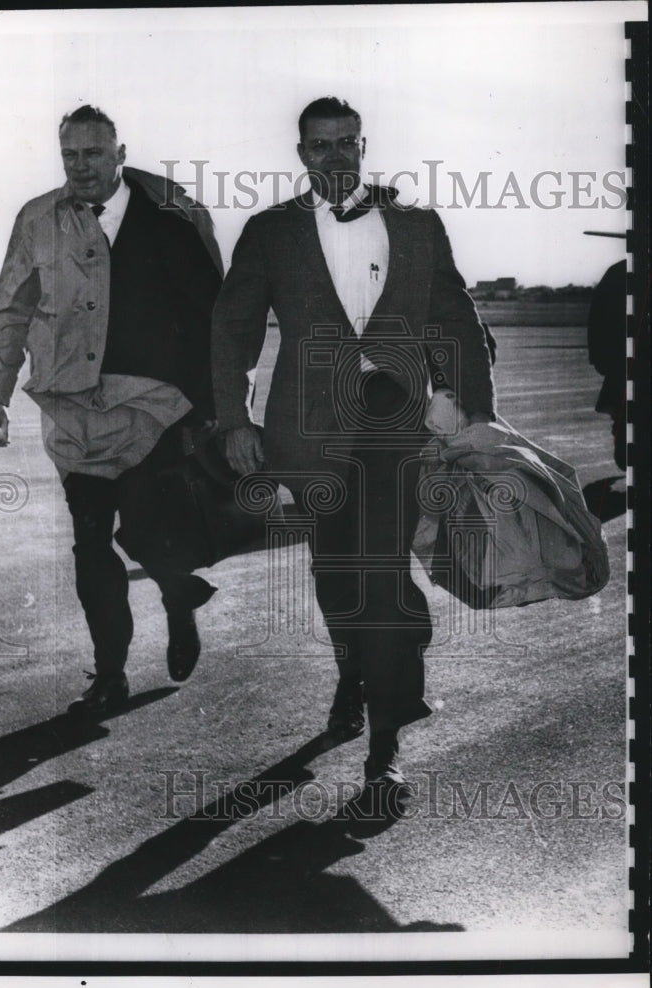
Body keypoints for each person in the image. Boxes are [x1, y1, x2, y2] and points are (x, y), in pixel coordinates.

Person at [211, 97, 496, 833]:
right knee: (337, 578)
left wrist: (467, 405)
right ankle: (353, 675)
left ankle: (385, 749)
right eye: (318, 147)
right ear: (300, 153)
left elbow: (458, 319)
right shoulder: (269, 232)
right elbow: (232, 328)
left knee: (379, 575)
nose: (334, 158)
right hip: (309, 435)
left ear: (362, 146)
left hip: (398, 426)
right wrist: (234, 418)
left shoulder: (415, 225)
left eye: (345, 145)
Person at [0, 105, 223, 716]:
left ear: (121, 153)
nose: (80, 166)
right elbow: (11, 308)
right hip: (72, 407)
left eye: (93, 153)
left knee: (144, 528)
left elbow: (212, 314)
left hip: (155, 406)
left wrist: (213, 406)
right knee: (90, 545)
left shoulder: (174, 213)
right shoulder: (37, 219)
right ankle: (109, 675)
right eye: (70, 154)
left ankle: (175, 594)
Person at [587, 259, 627, 471]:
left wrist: (598, 356)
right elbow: (599, 316)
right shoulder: (619, 272)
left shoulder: (617, 271)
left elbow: (597, 317)